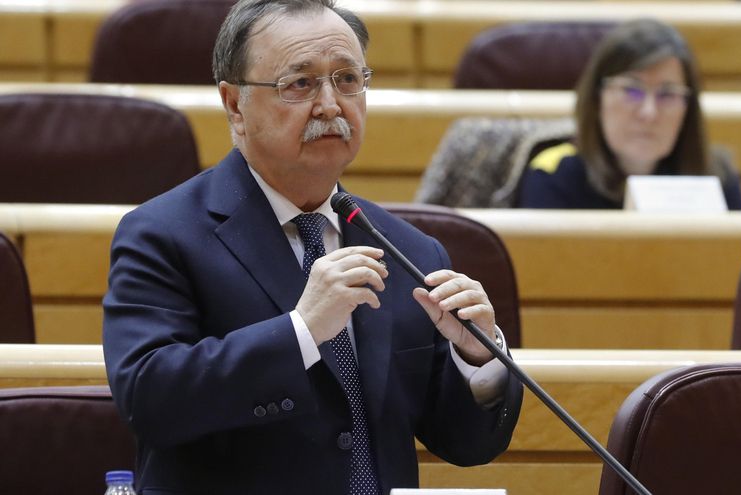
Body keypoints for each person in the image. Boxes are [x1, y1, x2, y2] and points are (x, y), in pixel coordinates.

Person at [101, 1, 522, 493]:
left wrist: (478, 359)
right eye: (300, 83)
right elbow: (150, 401)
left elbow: (466, 446)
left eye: (347, 79)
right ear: (235, 104)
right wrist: (302, 332)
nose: (330, 105)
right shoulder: (162, 233)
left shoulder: (412, 251)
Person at [516, 18, 741, 210]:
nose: (649, 112)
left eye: (667, 95)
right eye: (631, 90)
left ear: (688, 108)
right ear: (598, 98)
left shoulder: (718, 176)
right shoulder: (554, 176)